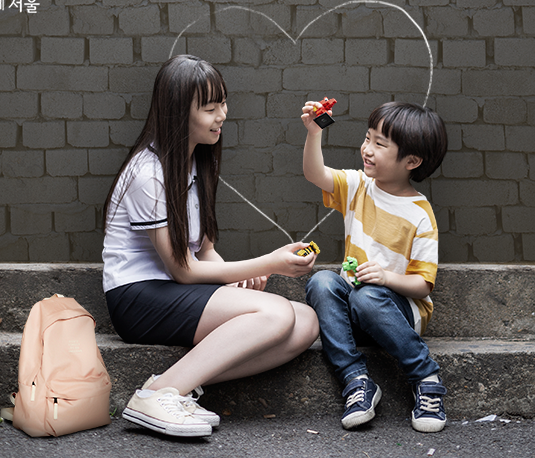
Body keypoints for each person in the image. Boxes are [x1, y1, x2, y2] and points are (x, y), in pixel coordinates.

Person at [102, 55, 320, 438]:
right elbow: (183, 269)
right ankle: (155, 394)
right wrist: (265, 263)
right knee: (277, 315)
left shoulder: (196, 162)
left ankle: (181, 387)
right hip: (137, 297)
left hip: (173, 291)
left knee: (305, 323)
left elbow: (204, 251)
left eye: (222, 103)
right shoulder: (147, 172)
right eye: (209, 108)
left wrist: (234, 282)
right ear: (176, 113)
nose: (222, 115)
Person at [300, 100, 449, 433]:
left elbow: (423, 286)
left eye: (380, 144)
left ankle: (426, 378)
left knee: (368, 297)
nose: (367, 149)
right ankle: (356, 380)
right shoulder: (357, 187)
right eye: (368, 138)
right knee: (322, 282)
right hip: (355, 309)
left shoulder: (420, 215)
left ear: (411, 161)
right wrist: (314, 132)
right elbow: (315, 174)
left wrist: (385, 278)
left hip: (397, 313)